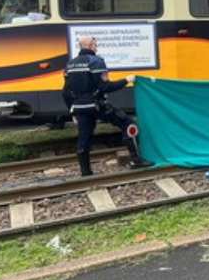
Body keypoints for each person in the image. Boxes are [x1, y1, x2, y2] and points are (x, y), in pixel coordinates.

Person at [63, 36, 147, 176]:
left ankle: (86, 172)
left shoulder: (70, 64)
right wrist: (126, 80)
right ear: (89, 46)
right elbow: (105, 87)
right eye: (95, 45)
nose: (97, 47)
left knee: (84, 138)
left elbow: (65, 92)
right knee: (128, 124)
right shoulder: (96, 61)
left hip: (79, 108)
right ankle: (136, 160)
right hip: (97, 105)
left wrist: (72, 112)